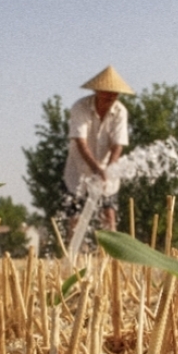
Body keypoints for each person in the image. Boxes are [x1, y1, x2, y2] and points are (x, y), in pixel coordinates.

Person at [63, 65, 134, 233]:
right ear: (97, 91)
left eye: (114, 93)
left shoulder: (120, 111)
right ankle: (75, 255)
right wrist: (96, 169)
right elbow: (80, 142)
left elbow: (118, 144)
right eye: (107, 92)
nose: (111, 96)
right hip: (78, 171)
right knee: (76, 217)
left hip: (107, 169)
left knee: (109, 214)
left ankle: (110, 256)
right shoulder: (80, 107)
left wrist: (109, 170)